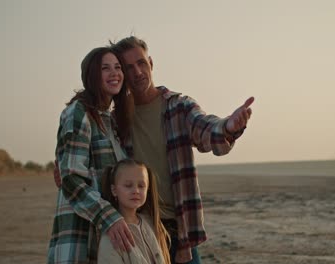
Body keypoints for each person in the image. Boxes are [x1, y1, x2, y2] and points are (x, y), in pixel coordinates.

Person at [54, 37, 254, 263]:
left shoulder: (178, 106)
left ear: (151, 63)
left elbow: (206, 128)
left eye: (141, 63)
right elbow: (83, 164)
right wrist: (62, 165)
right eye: (128, 67)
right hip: (138, 226)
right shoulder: (115, 119)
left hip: (179, 229)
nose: (137, 72)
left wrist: (228, 126)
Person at [47, 46, 136, 264]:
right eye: (105, 68)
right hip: (80, 236)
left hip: (106, 237)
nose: (114, 73)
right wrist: (109, 217)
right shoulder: (79, 112)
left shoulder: (111, 120)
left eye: (117, 67)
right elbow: (71, 178)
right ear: (92, 75)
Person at [98, 158, 171, 263]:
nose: (136, 191)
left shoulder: (151, 223)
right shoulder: (112, 236)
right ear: (114, 190)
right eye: (128, 185)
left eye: (141, 186)